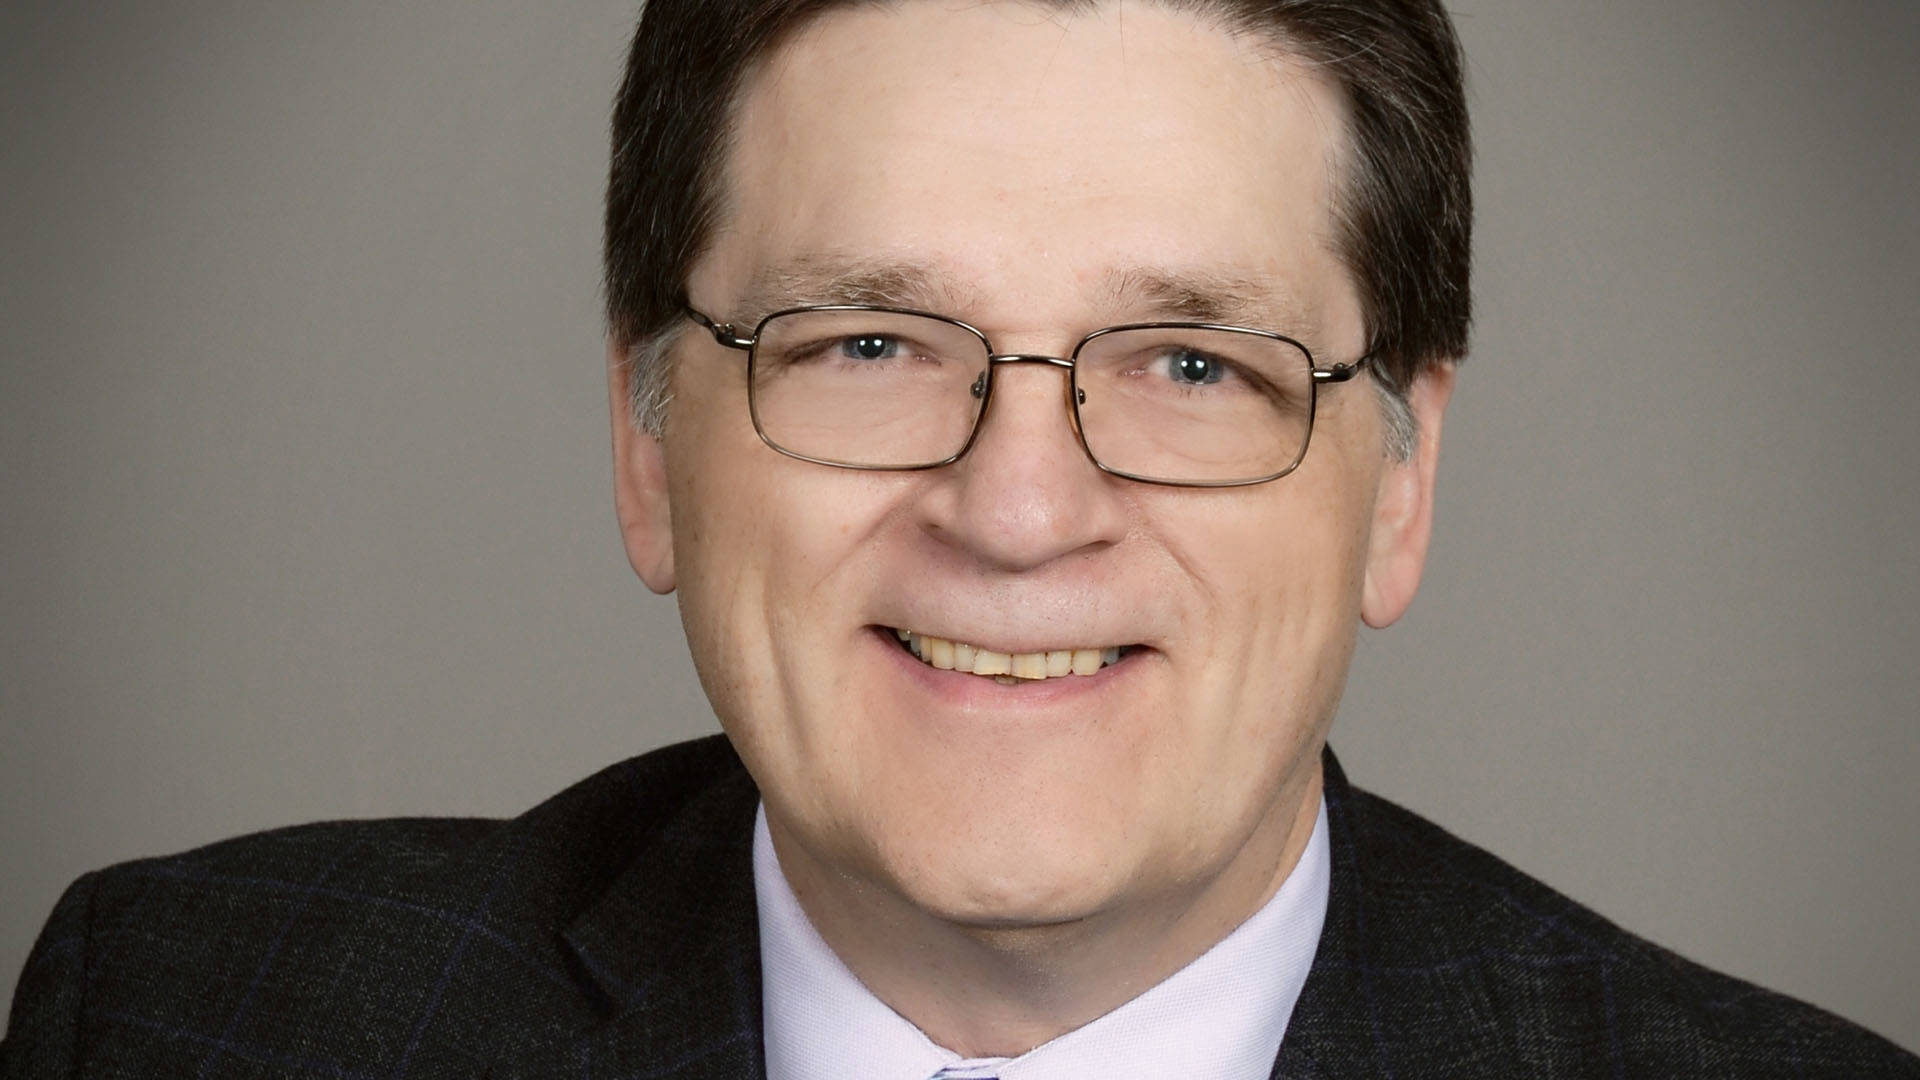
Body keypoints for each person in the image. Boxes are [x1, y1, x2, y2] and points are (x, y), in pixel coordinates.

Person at [3, 1, 1915, 1077]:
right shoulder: (182, 1020)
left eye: (1190, 364)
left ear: (1398, 484)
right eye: (866, 343)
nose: (1017, 512)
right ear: (648, 438)